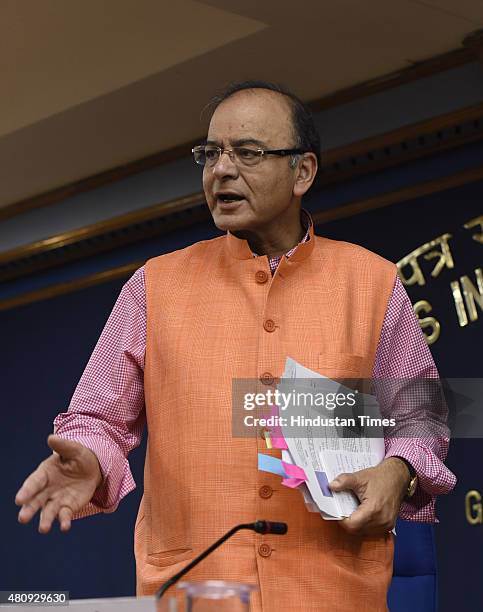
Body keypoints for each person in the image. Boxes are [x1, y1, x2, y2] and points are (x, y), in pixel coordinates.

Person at [15, 81, 456, 611]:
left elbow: (419, 417)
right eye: (210, 154)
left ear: (303, 172)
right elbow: (99, 420)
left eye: (247, 152)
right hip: (198, 590)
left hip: (330, 594)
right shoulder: (156, 286)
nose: (220, 170)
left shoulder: (371, 283)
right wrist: (88, 457)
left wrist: (399, 470)